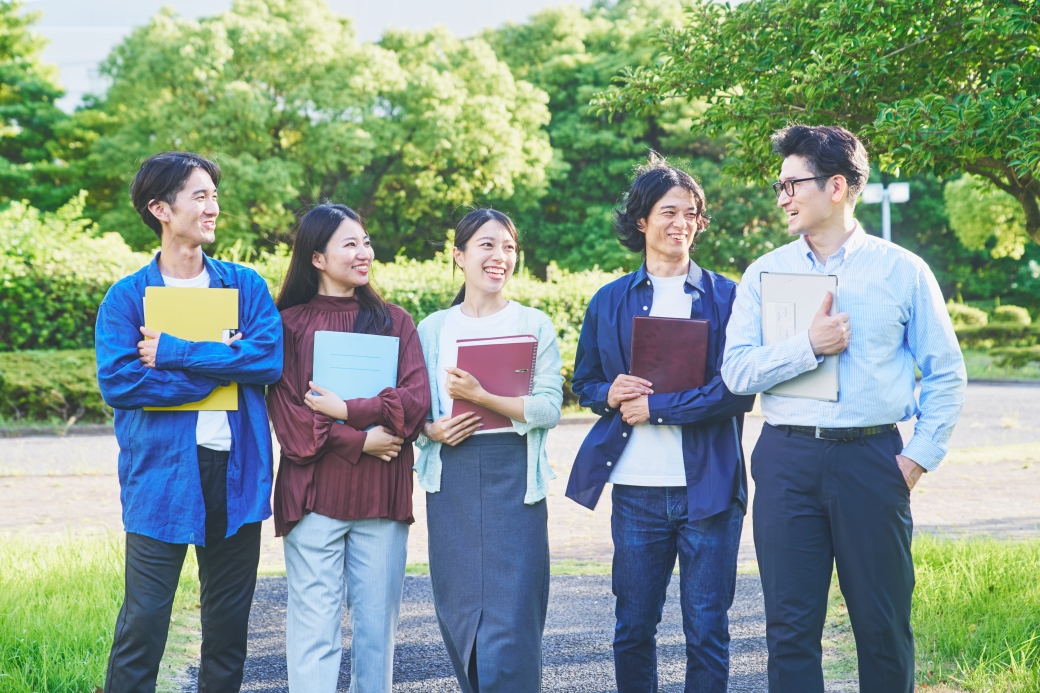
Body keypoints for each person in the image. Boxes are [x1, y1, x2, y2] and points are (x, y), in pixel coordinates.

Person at [721, 125, 966, 693]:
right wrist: (809, 345)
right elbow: (736, 372)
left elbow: (947, 373)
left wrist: (916, 459)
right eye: (778, 186)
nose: (781, 196)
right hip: (786, 461)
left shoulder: (903, 270)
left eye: (791, 184)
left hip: (874, 461)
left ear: (836, 186)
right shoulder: (763, 273)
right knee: (788, 631)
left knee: (882, 629)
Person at [565, 155, 756, 692]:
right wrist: (612, 392)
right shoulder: (609, 300)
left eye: (691, 213)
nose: (681, 223)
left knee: (708, 631)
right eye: (668, 212)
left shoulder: (729, 297)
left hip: (710, 488)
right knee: (631, 630)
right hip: (636, 491)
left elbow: (738, 389)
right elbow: (585, 384)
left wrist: (660, 407)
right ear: (642, 220)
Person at [95, 151, 283, 692]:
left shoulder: (244, 286)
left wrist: (175, 351)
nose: (213, 207)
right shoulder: (128, 298)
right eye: (199, 196)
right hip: (160, 476)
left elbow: (268, 360)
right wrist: (222, 366)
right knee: (145, 621)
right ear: (160, 208)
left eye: (214, 196)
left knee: (226, 629)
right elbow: (122, 383)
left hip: (236, 471)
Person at [266, 204, 430, 692]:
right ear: (317, 257)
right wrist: (361, 439)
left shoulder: (395, 322)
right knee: (313, 633)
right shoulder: (287, 325)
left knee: (378, 636)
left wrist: (347, 410)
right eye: (350, 244)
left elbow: (415, 403)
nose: (365, 253)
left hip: (382, 497)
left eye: (366, 242)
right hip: (314, 499)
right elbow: (292, 420)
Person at [413, 208, 564, 692]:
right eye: (487, 245)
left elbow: (548, 408)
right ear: (458, 255)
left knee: (514, 615)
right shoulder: (433, 328)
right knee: (458, 609)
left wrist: (482, 397)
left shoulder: (534, 323)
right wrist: (429, 431)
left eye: (509, 248)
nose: (500, 256)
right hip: (451, 478)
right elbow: (414, 410)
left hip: (515, 479)